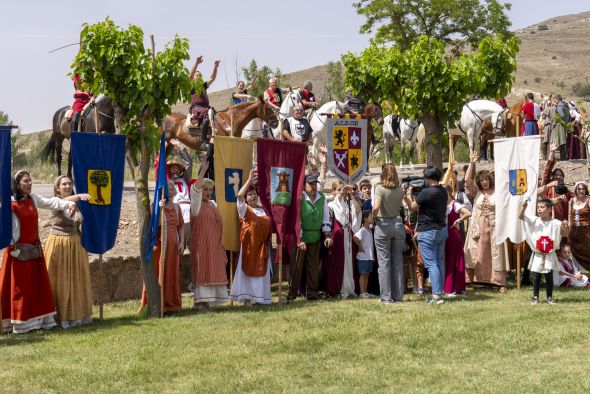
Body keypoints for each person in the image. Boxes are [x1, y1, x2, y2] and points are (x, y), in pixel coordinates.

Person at [1, 170, 76, 334]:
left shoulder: (33, 199)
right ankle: (17, 323)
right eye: (25, 181)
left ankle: (36, 322)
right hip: (16, 252)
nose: (29, 184)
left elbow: (52, 203)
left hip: (33, 251)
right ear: (17, 184)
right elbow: (8, 228)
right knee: (18, 289)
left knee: (35, 287)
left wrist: (68, 204)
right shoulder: (8, 203)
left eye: (30, 181)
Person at [44, 175, 93, 328]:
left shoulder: (78, 205)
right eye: (63, 184)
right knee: (60, 280)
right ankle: (59, 316)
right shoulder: (56, 202)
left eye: (69, 183)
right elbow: (62, 203)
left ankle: (77, 314)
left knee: (76, 278)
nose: (67, 186)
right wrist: (77, 196)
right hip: (59, 244)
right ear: (57, 188)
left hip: (75, 244)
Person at [464, 153, 509, 292]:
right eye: (482, 180)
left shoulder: (498, 192)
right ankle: (474, 279)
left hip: (494, 227)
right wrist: (472, 163)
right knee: (475, 252)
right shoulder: (476, 192)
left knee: (495, 254)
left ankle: (499, 282)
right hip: (477, 228)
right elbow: (467, 180)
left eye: (486, 179)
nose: (484, 182)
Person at [403, 167, 448, 304]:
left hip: (428, 231)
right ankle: (439, 292)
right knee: (439, 262)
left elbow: (411, 207)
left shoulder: (426, 192)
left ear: (427, 178)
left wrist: (408, 194)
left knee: (431, 264)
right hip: (441, 229)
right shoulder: (443, 191)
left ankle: (436, 296)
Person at [189, 156, 229, 311]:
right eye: (205, 189)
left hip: (214, 245)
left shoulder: (213, 205)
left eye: (210, 189)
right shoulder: (196, 206)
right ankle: (199, 303)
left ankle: (207, 301)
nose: (207, 192)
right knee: (202, 270)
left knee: (213, 270)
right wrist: (203, 170)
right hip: (201, 245)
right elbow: (195, 191)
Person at [139, 179, 184, 314]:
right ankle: (156, 305)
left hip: (174, 247)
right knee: (159, 272)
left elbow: (180, 226)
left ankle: (171, 304)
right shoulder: (155, 206)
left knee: (171, 274)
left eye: (171, 189)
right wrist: (159, 209)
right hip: (160, 246)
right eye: (167, 190)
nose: (170, 192)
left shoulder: (177, 207)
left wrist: (182, 242)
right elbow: (154, 225)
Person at [229, 169, 273, 305]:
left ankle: (260, 298)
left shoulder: (264, 210)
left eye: (254, 194)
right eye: (250, 195)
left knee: (261, 274)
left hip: (262, 247)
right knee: (247, 273)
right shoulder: (244, 209)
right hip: (249, 248)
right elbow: (239, 195)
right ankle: (247, 299)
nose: (252, 197)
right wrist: (249, 180)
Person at [287, 174, 333, 301]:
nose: (313, 186)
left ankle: (312, 293)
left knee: (313, 267)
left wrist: (327, 235)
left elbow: (325, 217)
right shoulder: (299, 198)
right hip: (301, 236)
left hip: (315, 236)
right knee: (296, 266)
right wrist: (300, 239)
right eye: (310, 184)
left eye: (315, 184)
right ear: (304, 185)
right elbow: (297, 220)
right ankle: (291, 294)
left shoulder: (321, 197)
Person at [520, 197, 567, 304]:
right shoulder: (535, 220)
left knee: (548, 276)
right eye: (538, 208)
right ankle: (535, 297)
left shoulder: (556, 223)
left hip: (549, 253)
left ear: (549, 209)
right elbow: (521, 216)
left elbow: (565, 234)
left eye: (542, 207)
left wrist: (565, 226)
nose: (539, 210)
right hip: (538, 253)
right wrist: (524, 208)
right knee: (536, 275)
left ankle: (549, 297)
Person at [372, 163, 405, 304]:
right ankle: (398, 296)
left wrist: (374, 216)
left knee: (384, 263)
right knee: (397, 261)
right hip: (398, 223)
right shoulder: (399, 189)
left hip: (383, 224)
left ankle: (386, 297)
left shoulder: (380, 189)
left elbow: (376, 207)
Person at [326, 184, 361, 299]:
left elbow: (358, 210)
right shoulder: (331, 204)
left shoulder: (348, 203)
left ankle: (350, 287)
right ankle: (339, 288)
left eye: (343, 190)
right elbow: (338, 215)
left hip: (348, 235)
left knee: (349, 262)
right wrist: (340, 194)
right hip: (338, 236)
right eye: (339, 190)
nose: (343, 192)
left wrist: (350, 194)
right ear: (334, 191)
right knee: (339, 262)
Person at [443, 184, 471, 297]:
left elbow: (468, 213)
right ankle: (449, 286)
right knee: (448, 260)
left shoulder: (455, 204)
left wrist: (458, 220)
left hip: (453, 235)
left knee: (455, 260)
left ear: (449, 193)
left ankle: (456, 288)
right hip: (445, 235)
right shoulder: (443, 205)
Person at [188, 56, 220, 148]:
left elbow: (212, 78)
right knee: (206, 119)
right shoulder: (191, 85)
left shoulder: (203, 86)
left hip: (206, 108)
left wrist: (215, 67)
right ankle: (203, 142)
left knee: (208, 119)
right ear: (194, 77)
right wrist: (196, 63)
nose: (198, 76)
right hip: (196, 108)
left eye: (200, 75)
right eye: (197, 75)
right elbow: (190, 75)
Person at [166, 141, 193, 246]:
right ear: (169, 170)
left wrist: (181, 148)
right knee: (177, 243)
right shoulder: (167, 181)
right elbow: (159, 166)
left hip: (187, 209)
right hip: (175, 209)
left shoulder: (184, 179)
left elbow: (189, 163)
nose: (175, 169)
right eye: (173, 167)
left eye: (177, 168)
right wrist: (164, 149)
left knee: (192, 243)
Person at [539, 142, 572, 221]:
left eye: (560, 175)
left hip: (561, 221)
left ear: (563, 178)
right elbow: (547, 171)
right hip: (548, 220)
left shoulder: (565, 190)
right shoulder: (548, 186)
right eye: (556, 175)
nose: (558, 177)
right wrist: (551, 152)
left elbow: (576, 197)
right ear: (552, 176)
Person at [353, 211, 376, 299]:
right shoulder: (362, 230)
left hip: (369, 257)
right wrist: (360, 246)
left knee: (367, 274)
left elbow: (370, 244)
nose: (372, 218)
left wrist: (372, 255)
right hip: (363, 257)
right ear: (365, 219)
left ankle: (365, 292)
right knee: (363, 274)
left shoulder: (370, 231)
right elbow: (355, 237)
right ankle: (362, 292)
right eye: (371, 216)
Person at [568, 181, 590, 270]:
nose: (581, 191)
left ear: (585, 190)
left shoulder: (589, 200)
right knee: (575, 250)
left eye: (583, 189)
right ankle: (576, 270)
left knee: (588, 251)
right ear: (576, 190)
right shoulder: (572, 200)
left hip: (587, 230)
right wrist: (569, 228)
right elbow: (569, 215)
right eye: (579, 189)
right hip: (574, 230)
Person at [550, 95, 569, 160]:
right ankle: (564, 156)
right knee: (563, 141)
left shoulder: (559, 106)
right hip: (564, 124)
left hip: (559, 125)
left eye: (555, 100)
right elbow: (568, 116)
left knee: (559, 141)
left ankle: (562, 157)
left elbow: (561, 115)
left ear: (557, 99)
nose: (555, 101)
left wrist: (555, 121)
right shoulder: (566, 105)